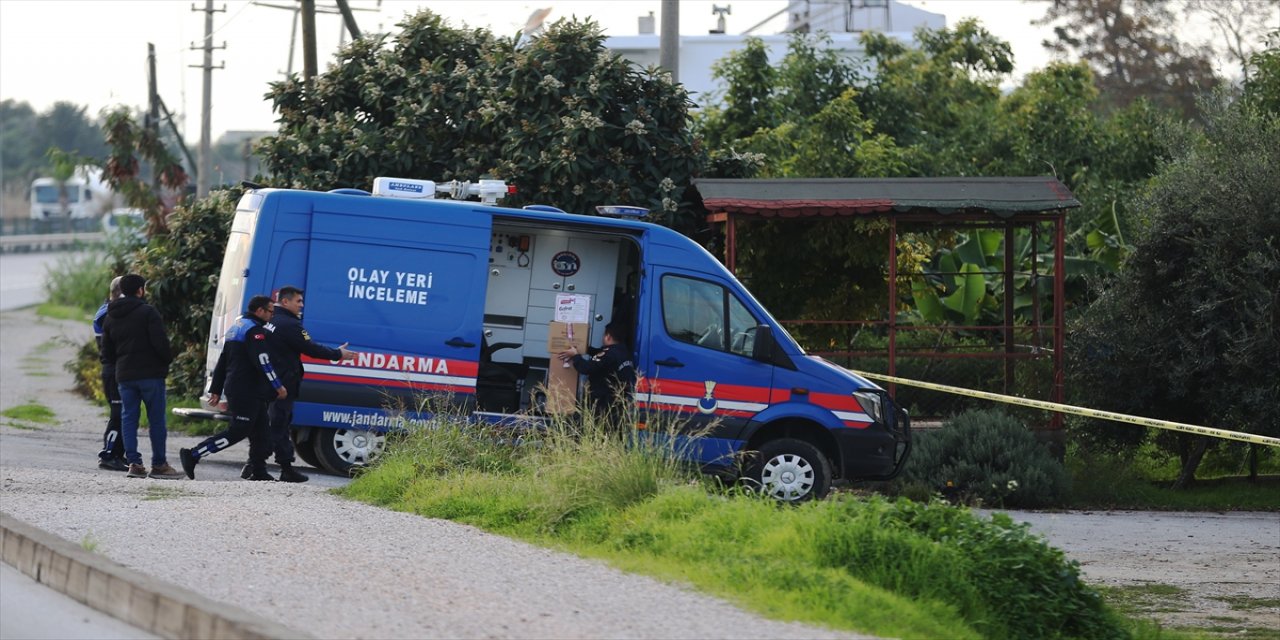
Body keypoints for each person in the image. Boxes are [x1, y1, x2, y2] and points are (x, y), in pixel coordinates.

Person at [179, 295, 287, 481]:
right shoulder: (254, 331)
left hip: (245, 389)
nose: (272, 315)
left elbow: (223, 361)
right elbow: (263, 361)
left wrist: (216, 388)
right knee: (239, 430)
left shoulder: (237, 327)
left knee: (262, 432)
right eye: (270, 311)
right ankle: (194, 454)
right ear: (259, 311)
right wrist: (277, 385)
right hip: (245, 390)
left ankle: (258, 471)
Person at [255, 286, 354, 482]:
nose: (301, 305)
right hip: (283, 383)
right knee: (279, 425)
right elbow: (310, 348)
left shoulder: (271, 320)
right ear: (285, 302)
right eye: (298, 301)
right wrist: (338, 354)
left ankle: (259, 465)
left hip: (270, 381)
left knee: (273, 425)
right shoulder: (290, 324)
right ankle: (272, 467)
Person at [100, 273, 183, 479]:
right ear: (140, 290)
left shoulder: (110, 316)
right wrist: (165, 361)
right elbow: (161, 343)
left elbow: (107, 353)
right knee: (156, 420)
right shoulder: (148, 312)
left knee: (128, 419)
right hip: (150, 374)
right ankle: (159, 464)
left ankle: (134, 464)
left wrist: (121, 364)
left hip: (124, 376)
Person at [556, 322, 636, 427]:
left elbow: (586, 368)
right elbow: (599, 354)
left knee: (597, 426)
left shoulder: (609, 355)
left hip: (603, 401)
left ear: (608, 336)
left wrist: (575, 356)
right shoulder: (623, 352)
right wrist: (585, 348)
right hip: (617, 401)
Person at [93, 276, 127, 471]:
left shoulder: (108, 310)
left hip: (115, 368)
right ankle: (108, 454)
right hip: (113, 369)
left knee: (123, 413)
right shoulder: (107, 313)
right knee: (117, 413)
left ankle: (118, 454)